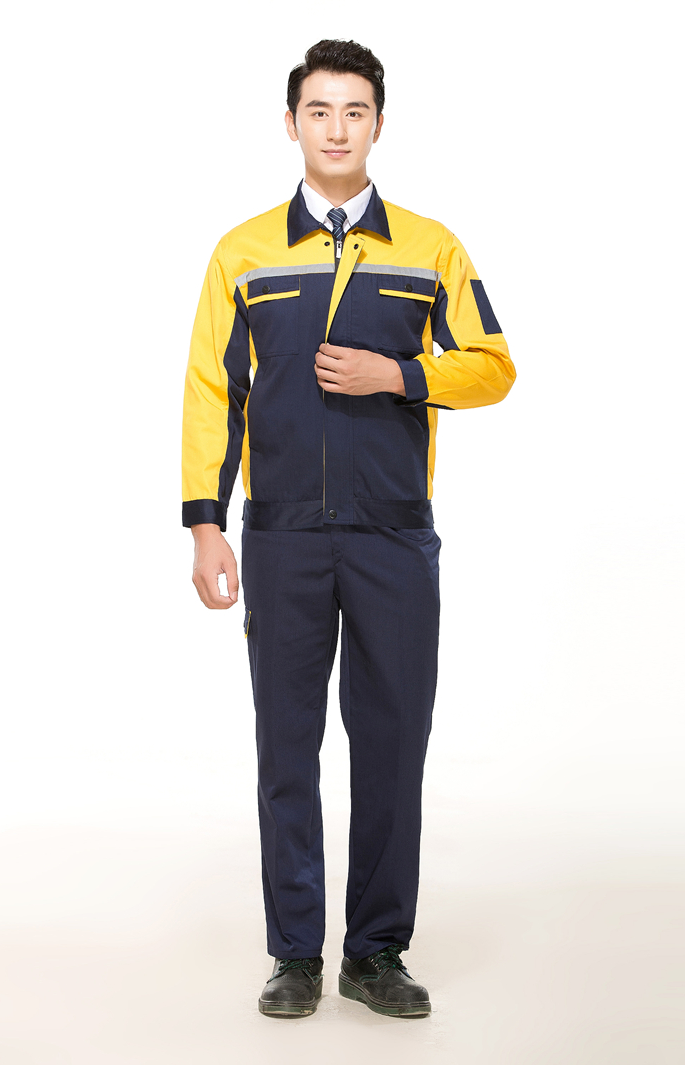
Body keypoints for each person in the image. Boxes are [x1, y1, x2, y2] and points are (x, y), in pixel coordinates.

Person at [182, 38, 516, 1019]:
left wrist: (398, 375)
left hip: (392, 535)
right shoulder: (243, 253)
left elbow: (493, 364)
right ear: (291, 124)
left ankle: (375, 951)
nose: (336, 128)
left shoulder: (430, 247)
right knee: (286, 747)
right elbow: (211, 391)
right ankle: (294, 954)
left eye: (354, 111)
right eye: (318, 111)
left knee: (392, 745)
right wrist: (205, 522)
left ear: (378, 124)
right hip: (282, 534)